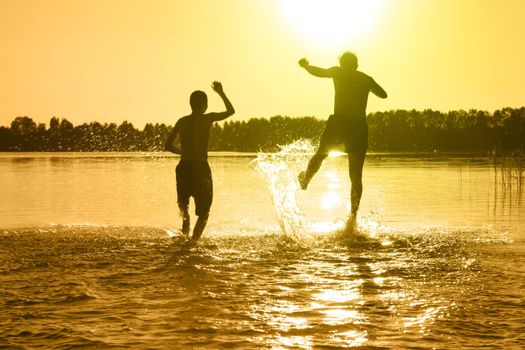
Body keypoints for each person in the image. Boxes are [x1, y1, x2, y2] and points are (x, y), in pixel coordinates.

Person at [297, 52, 387, 231]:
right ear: (356, 64)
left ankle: (306, 179)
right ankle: (353, 217)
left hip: (339, 122)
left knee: (322, 154)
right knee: (356, 176)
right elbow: (383, 95)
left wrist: (306, 66)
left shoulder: (338, 72)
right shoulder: (365, 78)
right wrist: (368, 85)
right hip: (359, 127)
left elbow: (319, 72)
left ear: (342, 63)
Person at [165, 81, 235, 242]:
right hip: (200, 168)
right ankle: (194, 242)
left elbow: (167, 145)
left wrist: (182, 152)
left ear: (190, 104)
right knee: (204, 212)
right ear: (205, 105)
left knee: (183, 206)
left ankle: (185, 233)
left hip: (184, 168)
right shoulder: (208, 118)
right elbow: (231, 111)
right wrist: (221, 92)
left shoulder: (182, 121)